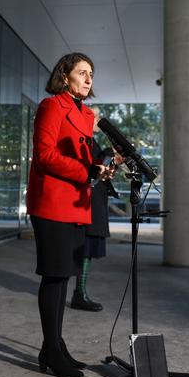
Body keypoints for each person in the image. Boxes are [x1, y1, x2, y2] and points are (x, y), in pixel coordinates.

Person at [27, 52, 112, 377]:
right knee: (54, 275)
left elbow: (84, 158)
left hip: (75, 202)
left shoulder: (84, 112)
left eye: (91, 73)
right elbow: (45, 156)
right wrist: (85, 170)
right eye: (82, 72)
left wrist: (103, 167)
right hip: (52, 202)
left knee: (64, 276)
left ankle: (56, 345)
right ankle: (50, 350)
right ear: (64, 76)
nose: (89, 78)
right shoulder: (52, 106)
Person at [70, 106, 119, 312]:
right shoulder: (83, 141)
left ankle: (80, 292)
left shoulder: (92, 141)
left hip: (94, 202)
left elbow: (98, 170)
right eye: (95, 116)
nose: (98, 120)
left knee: (87, 251)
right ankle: (79, 294)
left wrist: (111, 162)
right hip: (86, 203)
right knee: (84, 249)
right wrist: (107, 157)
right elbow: (89, 170)